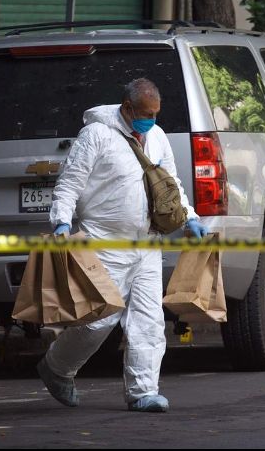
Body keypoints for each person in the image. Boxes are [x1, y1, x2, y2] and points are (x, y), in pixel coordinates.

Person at [39, 78, 209, 413]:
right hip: (104, 243)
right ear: (127, 108)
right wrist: (61, 221)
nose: (151, 121)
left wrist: (189, 215)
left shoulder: (157, 137)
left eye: (156, 114)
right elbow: (70, 181)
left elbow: (170, 185)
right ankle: (57, 368)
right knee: (98, 321)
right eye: (145, 114)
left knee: (148, 321)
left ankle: (143, 391)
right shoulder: (97, 135)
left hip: (147, 243)